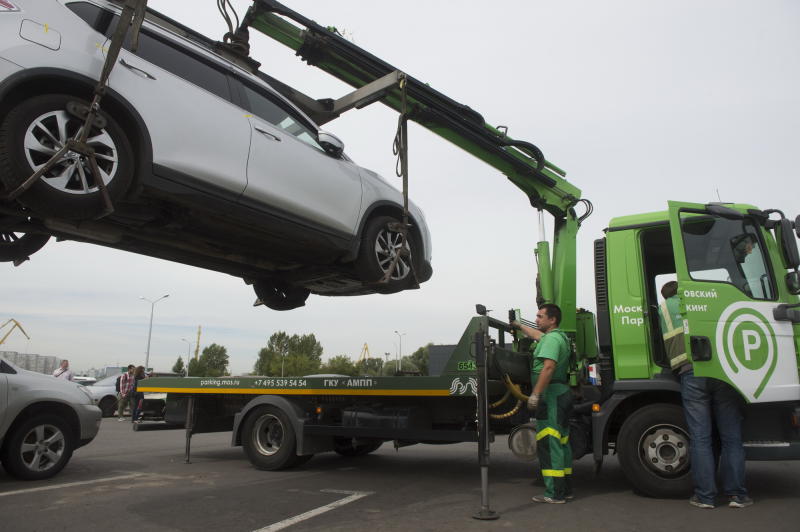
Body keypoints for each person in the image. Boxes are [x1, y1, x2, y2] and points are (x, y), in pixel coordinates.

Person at [657, 281, 752, 509]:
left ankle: (705, 496)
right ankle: (737, 495)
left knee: (701, 438)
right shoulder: (705, 299)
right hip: (720, 372)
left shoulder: (664, 308)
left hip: (690, 372)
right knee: (731, 437)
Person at [512, 303, 573, 504]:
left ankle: (554, 493)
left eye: (540, 316)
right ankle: (564, 489)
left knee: (550, 442)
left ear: (552, 319)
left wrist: (535, 394)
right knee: (561, 443)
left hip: (551, 395)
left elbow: (548, 368)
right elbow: (536, 336)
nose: (536, 320)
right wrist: (519, 326)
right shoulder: (556, 337)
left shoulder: (552, 340)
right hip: (561, 392)